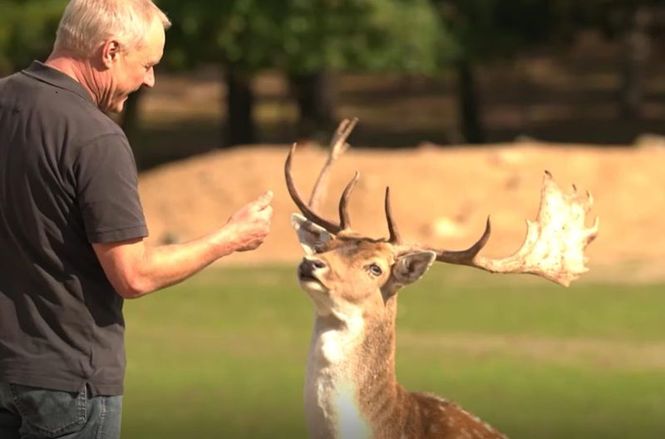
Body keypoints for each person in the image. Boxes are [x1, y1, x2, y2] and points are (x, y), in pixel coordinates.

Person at [0, 1, 273, 438]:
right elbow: (134, 275)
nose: (151, 79)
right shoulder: (95, 137)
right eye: (146, 64)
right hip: (68, 384)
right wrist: (230, 237)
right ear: (109, 51)